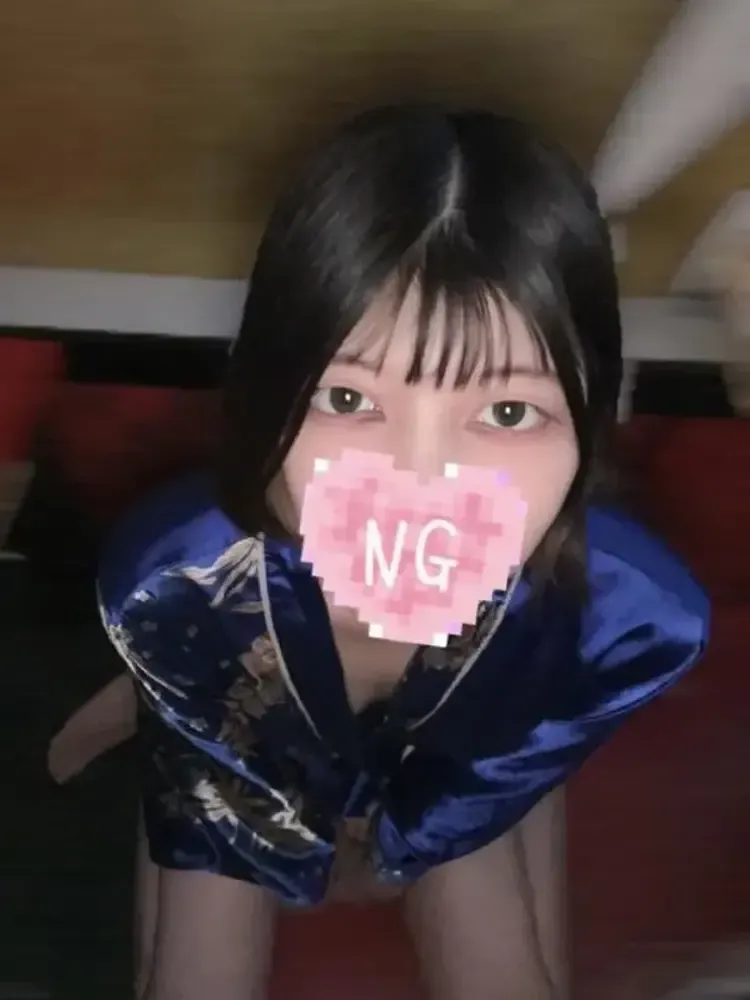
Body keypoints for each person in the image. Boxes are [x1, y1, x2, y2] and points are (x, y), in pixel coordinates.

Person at [48, 104, 709, 1000]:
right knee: (195, 942)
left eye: (507, 412)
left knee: (500, 926)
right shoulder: (185, 586)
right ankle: (155, 702)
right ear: (263, 385)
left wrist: (397, 845)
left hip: (470, 726)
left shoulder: (619, 617)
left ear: (594, 421)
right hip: (241, 690)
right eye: (349, 401)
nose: (422, 481)